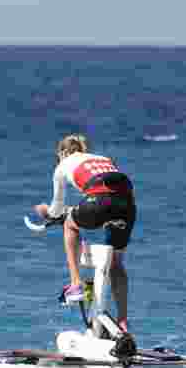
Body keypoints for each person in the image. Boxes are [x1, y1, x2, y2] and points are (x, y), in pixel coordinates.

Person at [33, 134, 136, 332]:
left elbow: (56, 211)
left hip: (98, 202)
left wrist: (46, 211)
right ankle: (122, 322)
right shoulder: (103, 159)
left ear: (62, 153)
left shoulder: (63, 165)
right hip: (128, 206)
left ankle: (75, 283)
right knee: (115, 262)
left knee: (70, 225)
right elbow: (112, 191)